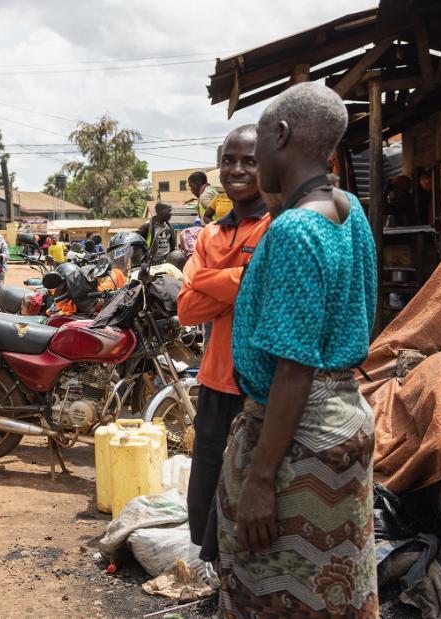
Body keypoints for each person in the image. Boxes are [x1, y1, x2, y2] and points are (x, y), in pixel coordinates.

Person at [220, 82, 377, 616]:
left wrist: (261, 479)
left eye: (260, 138)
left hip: (296, 439)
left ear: (281, 135)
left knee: (279, 590)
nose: (255, 154)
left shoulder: (293, 231)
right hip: (344, 416)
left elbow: (294, 368)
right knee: (337, 586)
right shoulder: (348, 208)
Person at [177, 124, 272, 564]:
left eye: (249, 160)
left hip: (260, 387)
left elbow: (264, 287)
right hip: (215, 381)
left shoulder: (279, 225)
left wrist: (212, 283)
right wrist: (238, 282)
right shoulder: (212, 234)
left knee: (254, 491)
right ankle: (219, 581)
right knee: (208, 487)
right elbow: (186, 308)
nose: (237, 169)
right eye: (229, 160)